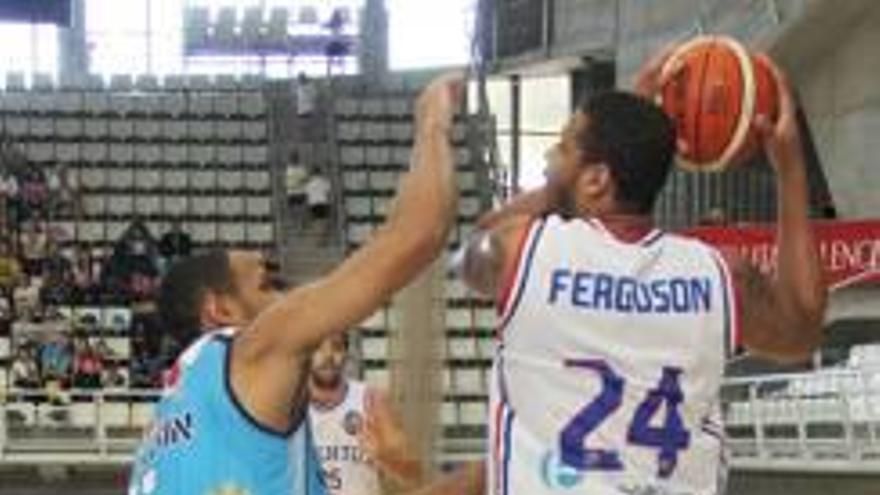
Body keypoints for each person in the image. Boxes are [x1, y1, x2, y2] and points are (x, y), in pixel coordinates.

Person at [456, 50, 827, 495]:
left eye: (564, 146)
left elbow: (471, 250)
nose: (552, 156)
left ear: (596, 179)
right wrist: (789, 168)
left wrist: (615, 131)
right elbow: (803, 330)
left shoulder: (526, 250)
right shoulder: (718, 273)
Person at [128, 75, 483, 495]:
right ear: (220, 311)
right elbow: (420, 233)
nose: (286, 294)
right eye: (268, 285)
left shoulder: (174, 417)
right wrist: (432, 121)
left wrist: (493, 467)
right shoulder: (247, 350)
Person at [310, 334, 424, 495]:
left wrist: (385, 458)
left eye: (336, 347)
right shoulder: (287, 406)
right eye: (318, 347)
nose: (328, 355)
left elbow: (414, 475)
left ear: (346, 354)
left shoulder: (372, 400)